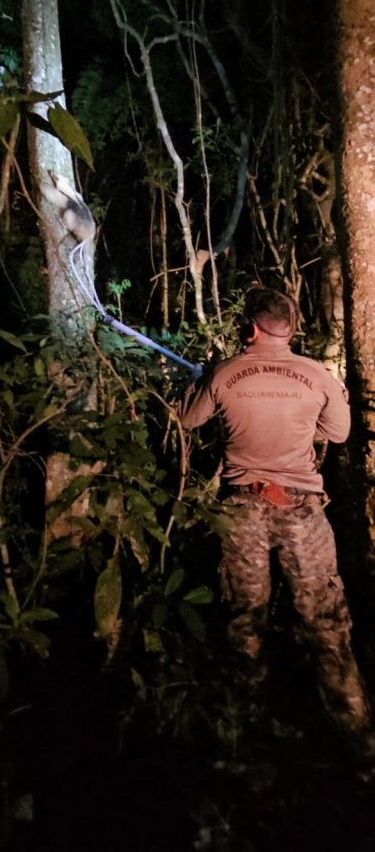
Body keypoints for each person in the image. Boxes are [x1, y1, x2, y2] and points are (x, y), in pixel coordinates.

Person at [178, 285, 369, 736]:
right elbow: (338, 434)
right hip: (301, 509)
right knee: (325, 621)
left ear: (250, 328)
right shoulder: (317, 376)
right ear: (291, 329)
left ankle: (239, 736)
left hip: (241, 510)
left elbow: (187, 420)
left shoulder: (224, 374)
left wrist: (197, 381)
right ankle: (356, 733)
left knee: (244, 621)